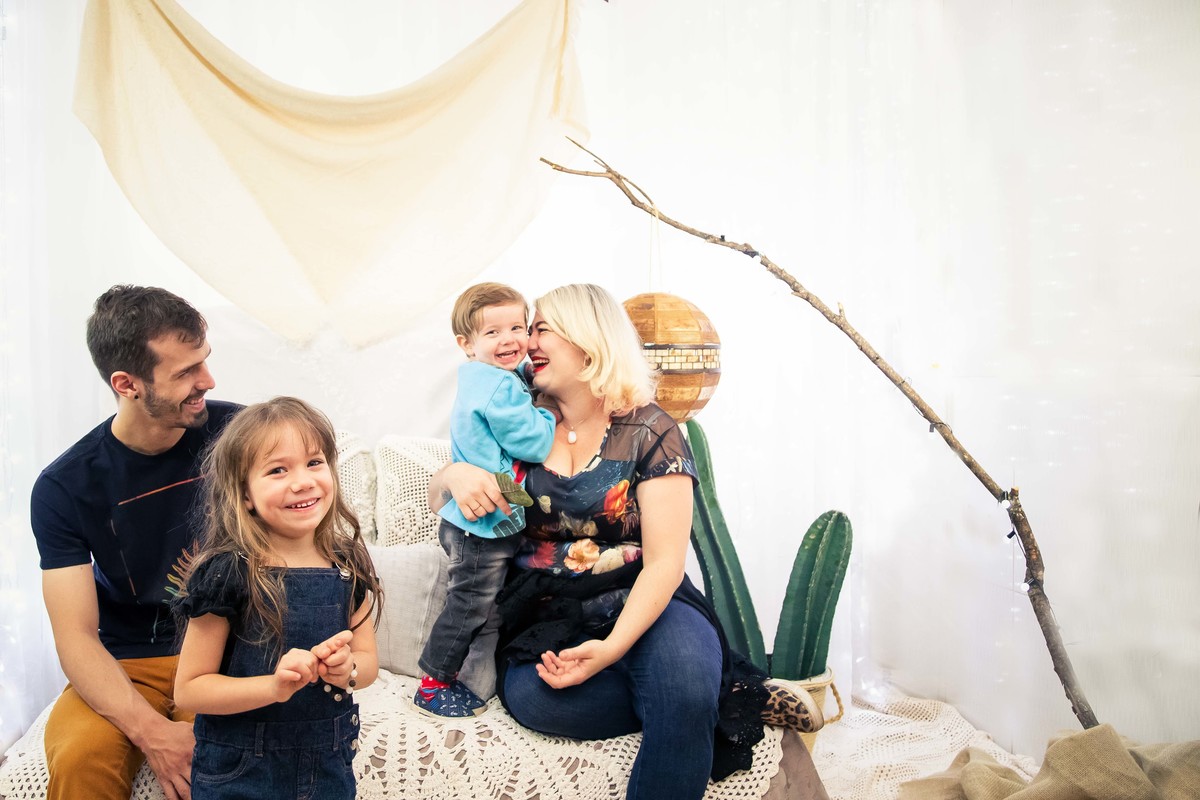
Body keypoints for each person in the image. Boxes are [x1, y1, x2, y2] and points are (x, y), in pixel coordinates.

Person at [428, 284, 823, 800]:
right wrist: (453, 474)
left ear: (587, 341)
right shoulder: (516, 410)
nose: (527, 342)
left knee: (683, 690)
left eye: (540, 329)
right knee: (540, 702)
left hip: (646, 601)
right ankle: (722, 691)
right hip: (547, 613)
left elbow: (664, 563)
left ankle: (696, 689)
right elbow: (446, 496)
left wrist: (612, 647)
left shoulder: (648, 428)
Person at [30, 285, 240, 800]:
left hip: (226, 646)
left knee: (223, 760)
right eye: (185, 372)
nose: (207, 381)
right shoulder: (64, 486)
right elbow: (76, 636)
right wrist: (153, 734)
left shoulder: (240, 434)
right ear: (127, 384)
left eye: (204, 360)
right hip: (126, 660)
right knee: (79, 759)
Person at [172, 396, 383, 800]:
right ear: (245, 495)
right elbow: (190, 689)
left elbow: (367, 662)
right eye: (277, 470)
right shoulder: (227, 571)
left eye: (314, 462)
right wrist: (273, 687)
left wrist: (348, 669)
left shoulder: (348, 562)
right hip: (238, 774)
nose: (302, 481)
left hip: (329, 767)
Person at [414, 282, 557, 717]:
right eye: (492, 332)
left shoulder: (484, 377)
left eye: (517, 327)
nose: (509, 339)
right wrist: (548, 413)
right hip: (482, 523)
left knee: (480, 601)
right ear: (466, 344)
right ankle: (433, 685)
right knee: (470, 605)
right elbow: (534, 443)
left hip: (472, 516)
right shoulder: (500, 388)